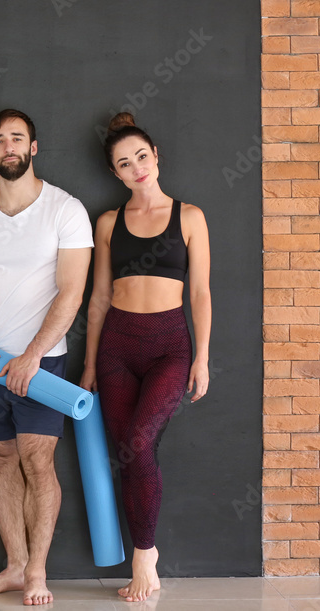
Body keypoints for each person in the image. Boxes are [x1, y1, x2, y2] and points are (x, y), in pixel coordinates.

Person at [0, 109, 93, 606]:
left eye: (18, 138)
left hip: (43, 364)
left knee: (38, 460)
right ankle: (13, 565)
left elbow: (71, 292)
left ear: (33, 148)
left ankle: (37, 571)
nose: (8, 146)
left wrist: (33, 356)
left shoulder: (65, 210)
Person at [79, 113, 210, 603]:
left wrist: (202, 359)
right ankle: (144, 554)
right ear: (114, 173)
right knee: (128, 454)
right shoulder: (109, 222)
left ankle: (144, 555)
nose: (135, 167)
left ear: (156, 157)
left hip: (169, 347)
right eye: (123, 163)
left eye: (140, 156)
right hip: (116, 346)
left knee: (139, 439)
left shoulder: (190, 216)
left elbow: (200, 293)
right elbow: (97, 299)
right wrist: (90, 364)